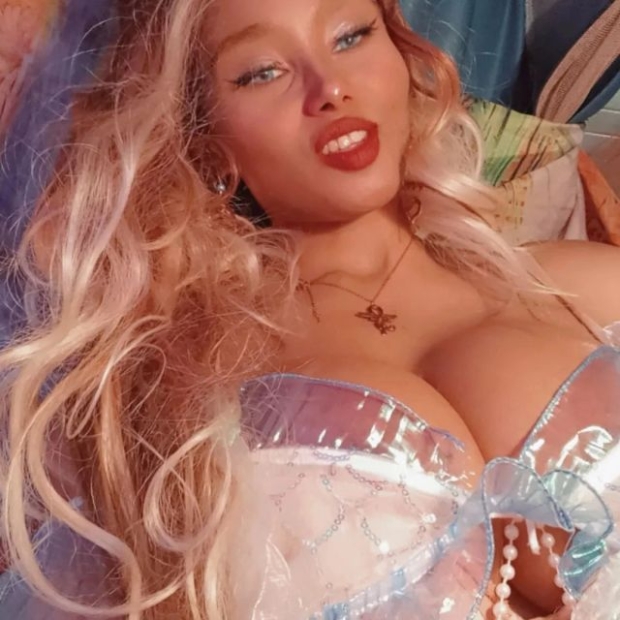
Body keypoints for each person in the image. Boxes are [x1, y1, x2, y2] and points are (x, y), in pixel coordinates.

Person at [0, 0, 619, 618]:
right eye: (262, 72)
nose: (330, 89)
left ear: (403, 59)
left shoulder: (585, 290)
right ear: (206, 138)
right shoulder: (181, 377)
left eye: (350, 36)